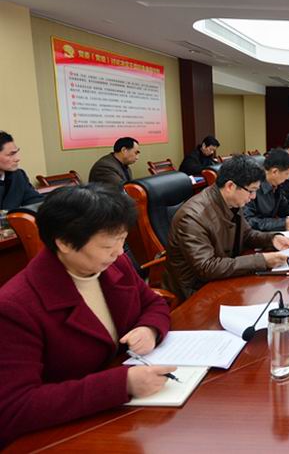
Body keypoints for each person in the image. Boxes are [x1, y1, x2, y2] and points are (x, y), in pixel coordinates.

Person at [0, 184, 173, 446]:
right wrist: (121, 384)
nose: (119, 252)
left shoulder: (114, 265)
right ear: (64, 243)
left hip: (125, 418)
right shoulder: (15, 306)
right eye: (108, 245)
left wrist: (149, 329)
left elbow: (154, 303)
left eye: (123, 240)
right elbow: (14, 407)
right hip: (65, 434)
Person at [164, 155, 289, 301]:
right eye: (251, 191)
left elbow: (246, 234)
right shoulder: (192, 217)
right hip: (197, 292)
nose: (253, 197)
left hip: (223, 278)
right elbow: (207, 267)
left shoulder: (231, 201)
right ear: (230, 186)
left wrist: (272, 239)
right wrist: (261, 260)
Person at [243, 148, 289, 232]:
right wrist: (281, 224)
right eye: (287, 173)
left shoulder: (277, 185)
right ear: (274, 172)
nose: (288, 178)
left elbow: (284, 209)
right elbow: (248, 221)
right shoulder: (252, 187)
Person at [0, 131, 44, 210]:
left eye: (16, 153)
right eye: (11, 154)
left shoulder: (18, 175)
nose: (17, 158)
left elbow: (36, 202)